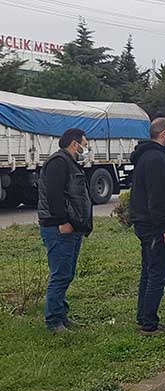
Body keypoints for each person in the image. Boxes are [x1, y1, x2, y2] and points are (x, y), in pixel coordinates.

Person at [37, 128, 93, 333]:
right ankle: (53, 322)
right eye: (85, 145)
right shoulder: (58, 163)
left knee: (66, 274)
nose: (86, 149)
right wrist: (62, 221)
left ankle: (61, 314)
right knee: (60, 275)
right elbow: (54, 195)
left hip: (73, 227)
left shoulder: (70, 163)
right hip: (59, 228)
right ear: (74, 144)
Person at [130, 118, 165, 335]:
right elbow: (158, 197)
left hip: (145, 222)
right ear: (163, 134)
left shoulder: (147, 155)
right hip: (154, 226)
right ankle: (149, 321)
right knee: (157, 274)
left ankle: (144, 316)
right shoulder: (156, 159)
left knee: (149, 271)